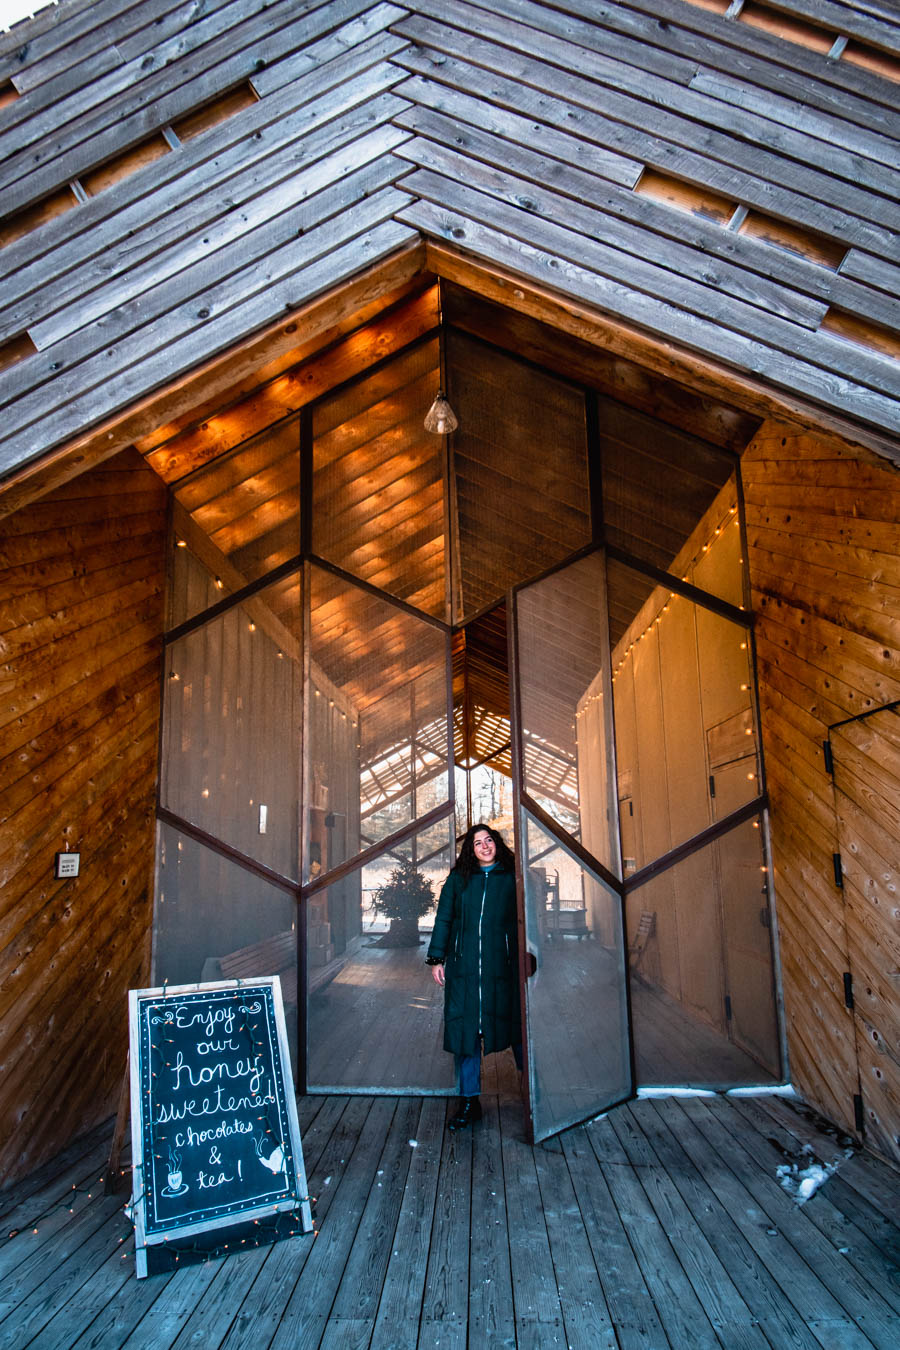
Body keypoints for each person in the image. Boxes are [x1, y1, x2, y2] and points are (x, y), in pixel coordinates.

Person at [426, 824, 522, 1130]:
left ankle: (533, 1093)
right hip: (464, 967)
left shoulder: (511, 877)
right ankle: (469, 1101)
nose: (484, 846)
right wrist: (437, 958)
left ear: (497, 844)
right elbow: (444, 918)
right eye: (477, 843)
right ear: (470, 850)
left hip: (501, 967)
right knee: (466, 1034)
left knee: (517, 1027)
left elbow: (527, 918)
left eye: (489, 840)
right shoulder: (458, 880)